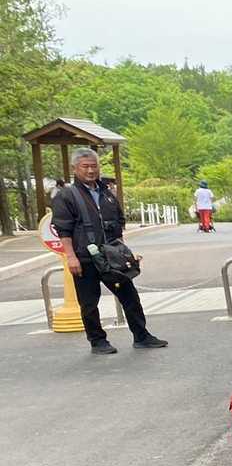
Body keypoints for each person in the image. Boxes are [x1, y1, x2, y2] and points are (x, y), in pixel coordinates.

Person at [50, 148, 168, 356]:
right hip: (84, 257)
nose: (90, 170)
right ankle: (98, 341)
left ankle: (141, 336)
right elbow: (63, 229)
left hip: (112, 255)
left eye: (94, 166)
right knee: (89, 302)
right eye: (85, 166)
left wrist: (125, 252)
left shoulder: (107, 193)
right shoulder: (66, 195)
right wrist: (71, 257)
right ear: (75, 168)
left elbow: (118, 224)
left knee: (130, 296)